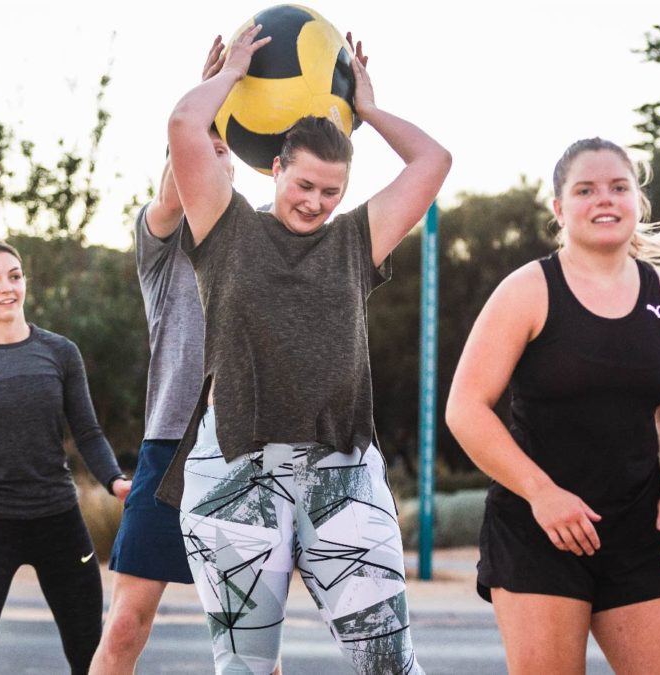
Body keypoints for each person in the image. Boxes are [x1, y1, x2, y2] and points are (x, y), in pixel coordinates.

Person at [157, 26, 450, 675]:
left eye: (331, 191)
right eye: (305, 184)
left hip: (341, 471)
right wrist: (228, 78)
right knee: (246, 669)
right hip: (236, 473)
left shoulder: (355, 240)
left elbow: (433, 162)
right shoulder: (225, 228)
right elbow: (184, 124)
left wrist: (367, 108)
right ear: (277, 167)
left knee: (391, 666)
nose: (315, 202)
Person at [445, 137, 660, 674]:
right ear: (560, 209)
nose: (604, 200)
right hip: (538, 531)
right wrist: (543, 494)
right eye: (585, 190)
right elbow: (466, 408)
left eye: (618, 187)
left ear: (637, 201)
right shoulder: (528, 291)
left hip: (638, 532)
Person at [90, 37, 285, 675]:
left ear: (239, 170)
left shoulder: (268, 241)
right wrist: (206, 105)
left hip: (249, 455)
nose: (208, 159)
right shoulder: (161, 245)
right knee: (123, 629)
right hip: (169, 451)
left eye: (221, 152)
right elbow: (175, 188)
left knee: (252, 644)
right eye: (199, 151)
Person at [0, 240, 130, 675]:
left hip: (60, 521)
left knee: (89, 655)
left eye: (14, 275)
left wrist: (114, 481)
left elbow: (88, 432)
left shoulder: (61, 353)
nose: (7, 288)